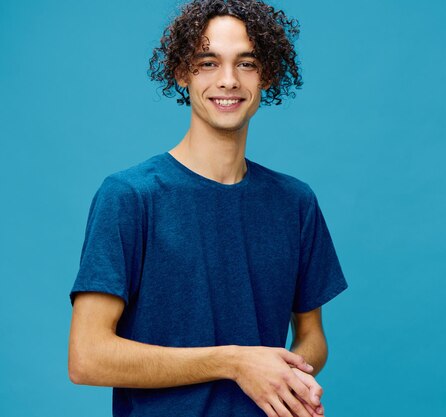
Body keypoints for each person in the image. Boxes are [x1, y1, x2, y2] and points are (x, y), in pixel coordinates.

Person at [67, 1, 348, 416]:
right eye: (208, 62)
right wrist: (235, 362)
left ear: (266, 75)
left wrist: (291, 378)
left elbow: (313, 336)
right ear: (182, 72)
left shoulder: (295, 202)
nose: (229, 80)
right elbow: (87, 356)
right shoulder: (129, 196)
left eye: (247, 63)